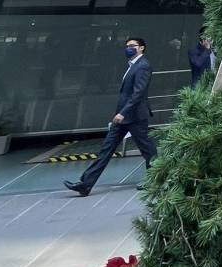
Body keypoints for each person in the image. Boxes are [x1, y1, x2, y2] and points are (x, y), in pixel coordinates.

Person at [64, 37, 156, 196]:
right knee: (106, 150)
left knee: (147, 149)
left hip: (134, 117)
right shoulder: (132, 66)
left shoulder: (143, 66)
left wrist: (123, 112)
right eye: (127, 46)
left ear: (142, 48)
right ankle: (86, 184)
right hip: (123, 118)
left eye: (132, 46)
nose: (128, 48)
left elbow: (138, 93)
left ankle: (156, 180)